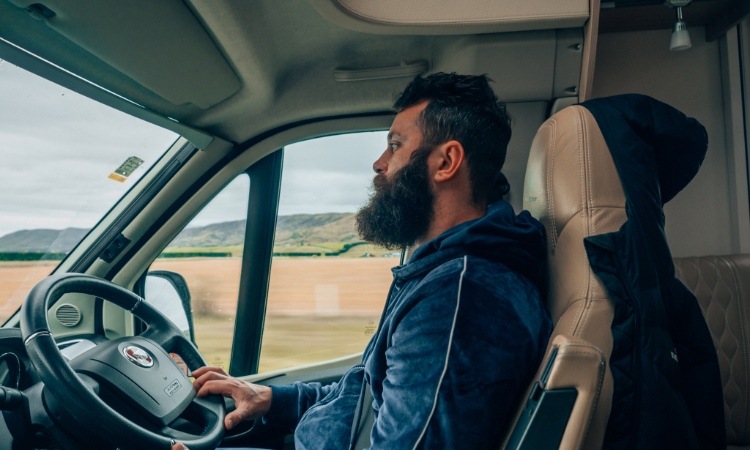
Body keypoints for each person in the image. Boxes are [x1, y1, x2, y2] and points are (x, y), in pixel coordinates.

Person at [173, 72, 552, 450]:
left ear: (447, 161)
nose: (379, 163)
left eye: (395, 145)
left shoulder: (460, 299)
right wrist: (271, 399)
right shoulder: (442, 273)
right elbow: (367, 395)